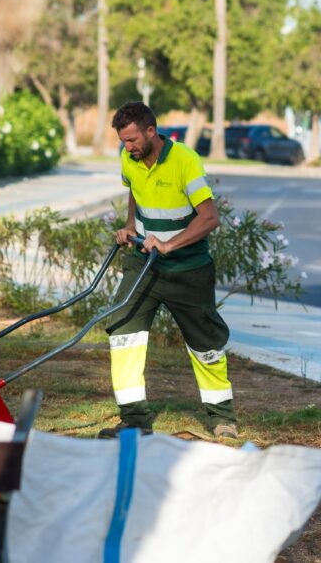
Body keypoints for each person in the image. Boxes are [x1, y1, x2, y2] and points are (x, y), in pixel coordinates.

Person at [98, 102, 238, 440]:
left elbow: (209, 218)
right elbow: (135, 190)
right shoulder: (129, 158)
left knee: (205, 342)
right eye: (122, 141)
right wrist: (130, 226)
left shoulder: (185, 161)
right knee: (123, 332)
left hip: (188, 269)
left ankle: (222, 417)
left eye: (132, 140)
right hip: (143, 265)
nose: (127, 147)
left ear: (151, 132)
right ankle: (134, 420)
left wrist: (169, 244)